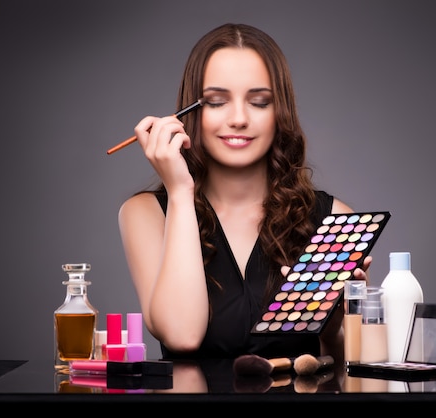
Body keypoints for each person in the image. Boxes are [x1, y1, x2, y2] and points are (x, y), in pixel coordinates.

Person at [118, 23, 371, 361]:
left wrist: (331, 331)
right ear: (189, 113)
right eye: (217, 101)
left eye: (259, 102)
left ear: (279, 112)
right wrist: (180, 192)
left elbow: (349, 373)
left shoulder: (335, 219)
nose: (238, 119)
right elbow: (182, 335)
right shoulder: (145, 214)